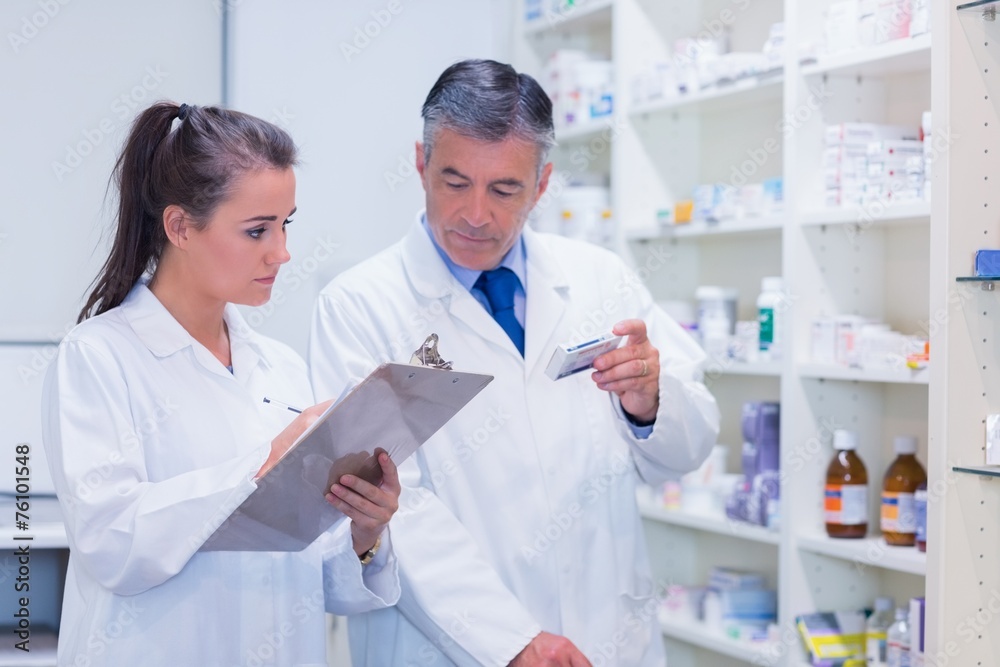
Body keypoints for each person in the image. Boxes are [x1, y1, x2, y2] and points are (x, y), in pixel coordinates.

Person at [309, 60, 720, 665]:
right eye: (454, 182)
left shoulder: (599, 279)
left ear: (543, 182)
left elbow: (688, 450)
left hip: (603, 632)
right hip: (455, 644)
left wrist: (649, 403)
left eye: (504, 189)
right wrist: (511, 640)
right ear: (421, 165)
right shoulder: (359, 306)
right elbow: (393, 504)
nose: (477, 214)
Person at [42, 101, 401, 666]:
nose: (282, 252)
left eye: (286, 225)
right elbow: (112, 543)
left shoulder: (279, 365)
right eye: (257, 230)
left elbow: (311, 571)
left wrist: (363, 531)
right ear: (180, 226)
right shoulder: (97, 357)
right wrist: (264, 465)